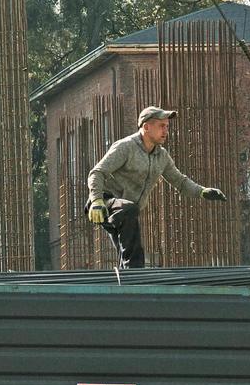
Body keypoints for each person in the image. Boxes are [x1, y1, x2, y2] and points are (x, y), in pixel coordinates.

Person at [87, 105, 227, 269]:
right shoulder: (125, 147)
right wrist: (96, 200)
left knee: (126, 248)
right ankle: (136, 273)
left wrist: (202, 192)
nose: (166, 131)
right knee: (130, 213)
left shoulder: (162, 156)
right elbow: (97, 172)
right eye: (161, 126)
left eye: (167, 126)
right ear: (146, 127)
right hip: (105, 203)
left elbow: (180, 181)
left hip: (126, 213)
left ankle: (128, 283)